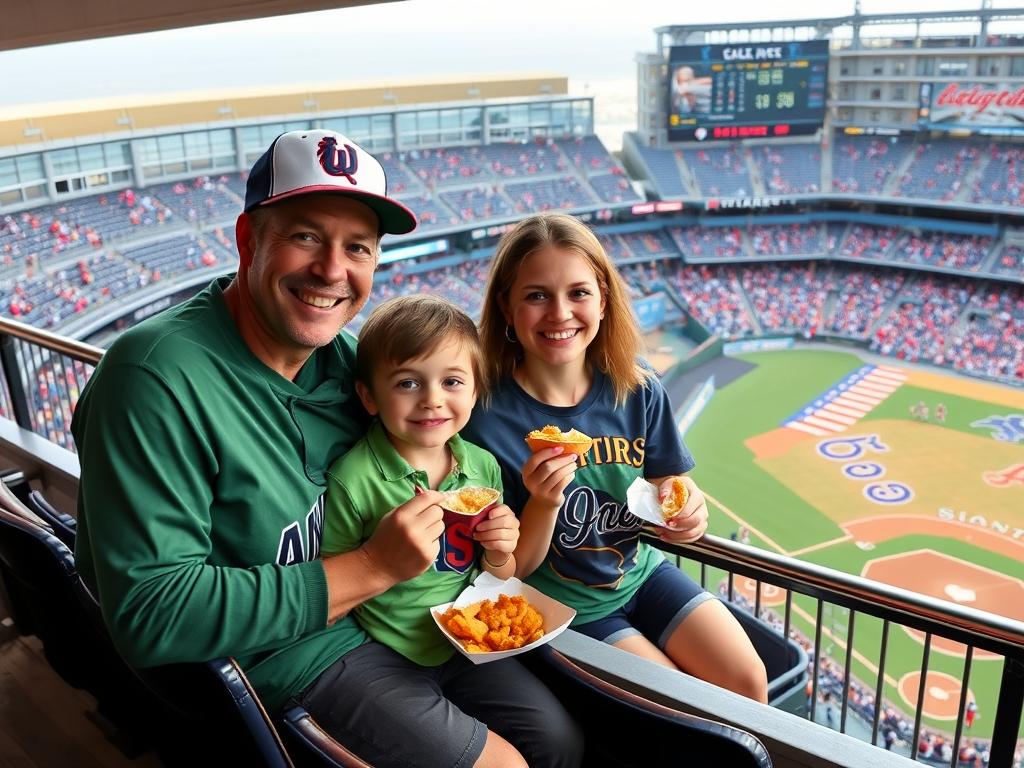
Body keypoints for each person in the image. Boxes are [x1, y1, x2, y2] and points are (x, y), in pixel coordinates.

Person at [72, 130, 582, 767]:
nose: (332, 271)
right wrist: (372, 567)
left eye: (358, 248)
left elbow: (443, 425)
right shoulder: (153, 377)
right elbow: (153, 613)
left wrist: (532, 498)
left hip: (387, 622)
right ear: (248, 240)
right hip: (277, 659)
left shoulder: (347, 361)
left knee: (558, 742)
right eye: (306, 236)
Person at [463, 213, 768, 702]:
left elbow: (670, 483)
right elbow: (507, 569)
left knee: (748, 681)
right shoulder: (481, 415)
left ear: (604, 300)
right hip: (567, 606)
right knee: (684, 701)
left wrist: (689, 510)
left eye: (578, 293)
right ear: (506, 306)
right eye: (536, 295)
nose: (560, 312)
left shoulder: (638, 384)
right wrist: (542, 500)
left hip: (642, 572)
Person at [319, 295, 576, 766]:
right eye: (408, 382)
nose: (432, 398)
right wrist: (381, 556)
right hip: (387, 650)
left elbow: (497, 574)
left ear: (475, 391)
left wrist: (500, 551)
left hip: (467, 649)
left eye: (452, 381)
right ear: (370, 396)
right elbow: (330, 584)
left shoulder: (483, 466)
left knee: (559, 741)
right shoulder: (353, 479)